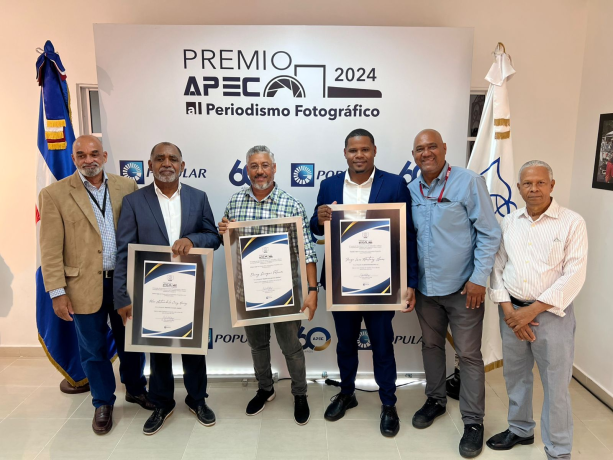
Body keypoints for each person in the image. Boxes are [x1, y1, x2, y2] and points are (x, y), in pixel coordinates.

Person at [39, 135, 152, 435]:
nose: (88, 160)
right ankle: (102, 402)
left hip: (123, 282)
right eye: (81, 155)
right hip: (82, 286)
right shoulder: (54, 194)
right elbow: (50, 249)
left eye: (93, 154)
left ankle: (136, 389)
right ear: (73, 159)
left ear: (104, 156)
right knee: (93, 349)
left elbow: (138, 233)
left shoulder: (126, 186)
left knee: (131, 343)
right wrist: (57, 292)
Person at [310, 128, 419, 437]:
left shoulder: (394, 184)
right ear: (345, 153)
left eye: (364, 149)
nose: (359, 155)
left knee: (382, 345)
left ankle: (388, 403)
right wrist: (319, 218)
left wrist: (410, 281)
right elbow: (316, 228)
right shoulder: (329, 185)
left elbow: (407, 235)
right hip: (341, 282)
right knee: (346, 344)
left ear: (374, 151)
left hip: (382, 283)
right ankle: (347, 393)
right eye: (353, 150)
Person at [114, 142, 220, 435]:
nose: (166, 163)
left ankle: (197, 400)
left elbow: (213, 236)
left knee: (194, 350)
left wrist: (192, 240)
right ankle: (162, 403)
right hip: (152, 290)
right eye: (159, 158)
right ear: (149, 165)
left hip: (190, 287)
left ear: (182, 166)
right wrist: (122, 296)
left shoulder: (198, 197)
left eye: (173, 158)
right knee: (158, 350)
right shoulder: (134, 201)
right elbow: (123, 252)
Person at [408, 129, 501, 458]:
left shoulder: (468, 182)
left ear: (445, 148)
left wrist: (478, 278)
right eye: (420, 149)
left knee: (469, 355)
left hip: (464, 289)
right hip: (426, 290)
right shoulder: (411, 189)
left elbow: (490, 233)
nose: (426, 153)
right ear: (414, 155)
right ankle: (435, 400)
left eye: (432, 146)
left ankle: (473, 422)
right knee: (431, 346)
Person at [487, 160, 587, 460]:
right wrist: (510, 312)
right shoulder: (508, 222)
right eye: (527, 184)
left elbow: (574, 274)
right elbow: (497, 268)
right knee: (516, 377)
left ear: (552, 185)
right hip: (511, 313)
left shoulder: (572, 222)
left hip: (552, 316)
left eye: (541, 182)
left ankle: (558, 449)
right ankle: (520, 429)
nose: (534, 189)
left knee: (556, 385)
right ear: (518, 188)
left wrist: (530, 313)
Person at [218, 145, 318, 426]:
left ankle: (300, 393)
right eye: (254, 166)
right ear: (246, 170)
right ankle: (265, 389)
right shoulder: (235, 202)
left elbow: (307, 252)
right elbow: (229, 242)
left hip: (285, 293)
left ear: (274, 168)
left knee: (291, 347)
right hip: (248, 292)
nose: (259, 171)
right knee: (258, 346)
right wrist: (224, 231)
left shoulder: (292, 205)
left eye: (264, 165)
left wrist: (313, 291)